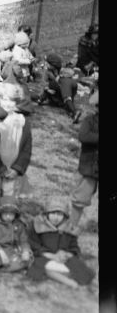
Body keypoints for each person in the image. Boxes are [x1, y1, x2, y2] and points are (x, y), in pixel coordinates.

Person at [26, 196, 95, 288]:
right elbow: (34, 245)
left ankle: (58, 274)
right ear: (47, 214)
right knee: (40, 266)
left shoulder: (68, 229)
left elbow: (74, 247)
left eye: (59, 214)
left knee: (80, 269)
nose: (56, 217)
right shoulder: (38, 226)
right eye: (53, 213)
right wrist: (51, 256)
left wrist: (66, 254)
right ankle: (65, 280)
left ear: (64, 216)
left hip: (63, 259)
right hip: (44, 257)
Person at [69, 79, 98, 233]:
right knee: (81, 197)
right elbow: (84, 137)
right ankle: (72, 225)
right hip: (89, 165)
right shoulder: (90, 120)